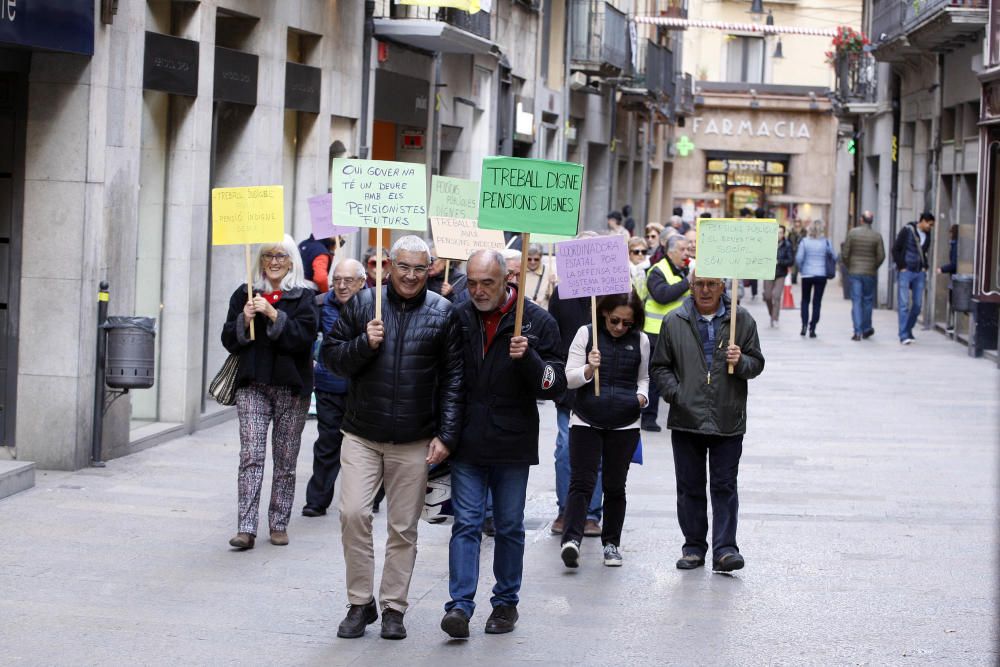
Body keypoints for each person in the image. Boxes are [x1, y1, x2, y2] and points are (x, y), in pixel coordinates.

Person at [322, 235, 463, 641]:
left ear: (431, 270)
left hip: (415, 438)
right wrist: (364, 343)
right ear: (388, 265)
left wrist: (447, 435)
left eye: (420, 269)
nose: (411, 276)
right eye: (404, 267)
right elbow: (331, 358)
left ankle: (393, 607)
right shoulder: (365, 304)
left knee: (403, 528)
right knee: (353, 514)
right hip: (362, 433)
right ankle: (359, 602)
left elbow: (455, 380)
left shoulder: (443, 312)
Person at [441, 250, 566, 639]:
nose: (477, 291)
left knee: (509, 525)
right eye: (472, 283)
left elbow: (554, 385)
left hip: (512, 442)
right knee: (466, 523)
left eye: (486, 283)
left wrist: (528, 358)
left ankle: (505, 603)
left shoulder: (537, 321)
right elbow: (445, 377)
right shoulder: (458, 316)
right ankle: (459, 606)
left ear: (506, 280)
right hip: (468, 440)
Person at [650, 272, 765, 573]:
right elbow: (660, 366)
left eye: (711, 284)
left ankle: (725, 549)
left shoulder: (742, 320)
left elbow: (757, 364)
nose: (704, 290)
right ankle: (693, 547)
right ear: (690, 287)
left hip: (728, 416)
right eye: (698, 284)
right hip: (687, 416)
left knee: (724, 485)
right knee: (690, 486)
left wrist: (741, 361)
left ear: (722, 287)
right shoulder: (675, 320)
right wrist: (677, 393)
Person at [221, 234, 317, 550]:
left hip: (291, 388)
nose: (273, 262)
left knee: (285, 460)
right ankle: (246, 527)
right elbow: (228, 340)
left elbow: (303, 339)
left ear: (291, 260)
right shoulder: (244, 293)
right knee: (251, 455)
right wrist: (244, 318)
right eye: (267, 256)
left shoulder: (303, 296)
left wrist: (275, 315)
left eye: (280, 255)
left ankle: (278, 523)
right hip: (253, 385)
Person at [560, 292, 648, 569]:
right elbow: (569, 378)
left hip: (625, 423)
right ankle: (571, 540)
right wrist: (589, 368)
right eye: (614, 321)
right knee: (582, 482)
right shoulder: (586, 335)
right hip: (587, 419)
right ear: (603, 314)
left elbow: (644, 377)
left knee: (614, 486)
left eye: (627, 323)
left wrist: (641, 398)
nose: (620, 328)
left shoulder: (641, 341)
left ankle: (612, 543)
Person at [302, 259, 366, 518]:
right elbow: (305, 338)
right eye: (336, 280)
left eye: (348, 281)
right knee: (327, 444)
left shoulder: (374, 306)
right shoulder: (320, 304)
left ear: (361, 283)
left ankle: (367, 498)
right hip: (329, 387)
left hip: (363, 389)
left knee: (362, 448)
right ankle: (316, 501)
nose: (341, 286)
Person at [547, 284, 604, 537]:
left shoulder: (615, 289)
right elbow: (553, 335)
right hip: (570, 388)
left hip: (604, 386)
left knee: (598, 454)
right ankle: (566, 510)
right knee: (565, 450)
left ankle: (591, 514)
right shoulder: (562, 293)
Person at [640, 235, 690, 432]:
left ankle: (682, 416)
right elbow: (662, 296)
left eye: (688, 249)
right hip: (655, 332)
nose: (687, 253)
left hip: (680, 333)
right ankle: (648, 418)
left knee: (682, 376)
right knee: (654, 378)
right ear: (671, 252)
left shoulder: (685, 269)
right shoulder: (657, 270)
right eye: (683, 249)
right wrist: (688, 282)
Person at [841, 210, 886, 340]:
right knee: (867, 301)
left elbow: (845, 253)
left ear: (861, 220)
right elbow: (881, 256)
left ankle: (857, 331)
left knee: (856, 300)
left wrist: (849, 266)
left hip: (855, 272)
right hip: (869, 273)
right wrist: (874, 266)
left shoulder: (853, 233)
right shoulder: (876, 236)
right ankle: (866, 328)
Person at [892, 211, 935, 345]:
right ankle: (903, 335)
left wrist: (925, 266)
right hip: (906, 271)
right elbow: (895, 249)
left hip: (919, 272)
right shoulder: (907, 230)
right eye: (929, 224)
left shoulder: (928, 234)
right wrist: (902, 266)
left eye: (932, 225)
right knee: (904, 304)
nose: (930, 227)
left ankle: (908, 329)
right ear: (922, 221)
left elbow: (924, 253)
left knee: (917, 305)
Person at [795, 220, 835, 338]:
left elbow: (799, 258)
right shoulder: (826, 242)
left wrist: (802, 269)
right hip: (821, 275)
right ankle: (813, 328)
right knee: (817, 302)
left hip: (807, 275)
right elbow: (834, 256)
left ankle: (804, 325)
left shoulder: (804, 242)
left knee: (805, 300)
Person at [763, 225, 795, 327]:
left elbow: (791, 261)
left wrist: (779, 262)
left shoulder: (787, 245)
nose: (778, 234)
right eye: (777, 232)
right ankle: (772, 314)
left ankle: (775, 318)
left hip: (780, 273)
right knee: (767, 296)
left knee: (776, 296)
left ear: (783, 234)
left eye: (781, 232)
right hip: (768, 273)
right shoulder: (768, 244)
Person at [937, 224, 959, 333]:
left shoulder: (956, 245)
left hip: (955, 277)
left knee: (954, 300)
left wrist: (942, 269)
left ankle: (956, 325)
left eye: (951, 232)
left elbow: (954, 264)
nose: (949, 235)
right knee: (953, 300)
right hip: (954, 277)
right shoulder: (954, 244)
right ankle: (954, 324)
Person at [523, 243, 554, 310]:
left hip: (541, 313)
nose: (532, 262)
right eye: (529, 259)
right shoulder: (519, 270)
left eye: (536, 259)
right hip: (523, 312)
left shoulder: (549, 271)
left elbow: (552, 297)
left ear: (541, 257)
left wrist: (553, 284)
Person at [787, 219, 805, 284]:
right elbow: (788, 240)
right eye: (796, 222)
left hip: (800, 249)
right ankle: (793, 277)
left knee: (797, 264)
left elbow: (805, 239)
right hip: (792, 249)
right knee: (793, 264)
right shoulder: (791, 231)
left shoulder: (803, 231)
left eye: (798, 222)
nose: (797, 223)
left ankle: (795, 277)